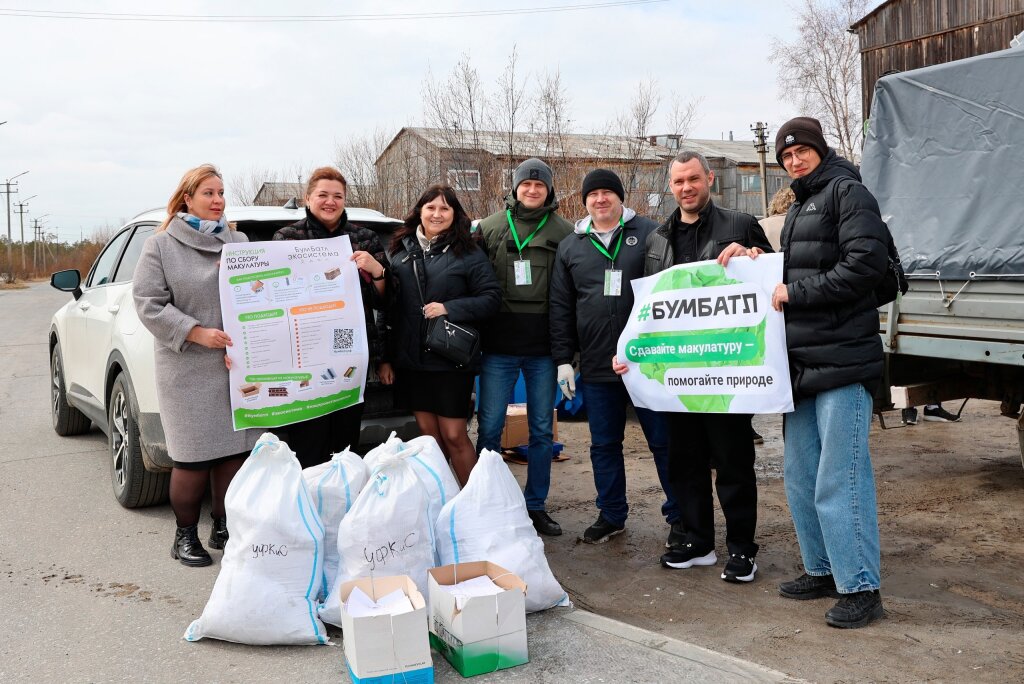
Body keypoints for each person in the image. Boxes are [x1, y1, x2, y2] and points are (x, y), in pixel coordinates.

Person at [730, 116, 888, 628]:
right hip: (800, 366)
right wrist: (759, 261)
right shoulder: (800, 205)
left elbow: (865, 265)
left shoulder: (847, 192)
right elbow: (798, 266)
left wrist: (795, 293)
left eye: (801, 151)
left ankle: (860, 586)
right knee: (801, 477)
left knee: (840, 479)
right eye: (786, 155)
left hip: (843, 362)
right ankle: (822, 569)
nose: (794, 160)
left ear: (820, 149)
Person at [613, 150, 771, 583]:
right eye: (679, 181)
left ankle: (742, 549)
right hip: (677, 376)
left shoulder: (739, 225)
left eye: (694, 179)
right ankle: (698, 542)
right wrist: (628, 350)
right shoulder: (657, 239)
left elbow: (772, 278)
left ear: (709, 180)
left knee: (733, 462)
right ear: (671, 186)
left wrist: (753, 254)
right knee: (685, 462)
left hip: (725, 371)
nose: (686, 188)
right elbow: (646, 307)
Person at [133, 164, 260, 567]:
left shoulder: (239, 241)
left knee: (233, 456)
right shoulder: (161, 246)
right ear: (187, 198)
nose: (218, 200)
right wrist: (196, 332)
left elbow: (261, 292)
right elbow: (148, 303)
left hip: (235, 366)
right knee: (192, 459)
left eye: (221, 193)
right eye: (208, 193)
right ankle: (184, 535)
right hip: (187, 369)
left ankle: (223, 527)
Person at [549, 169, 681, 546]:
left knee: (664, 443)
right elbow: (561, 306)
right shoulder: (571, 246)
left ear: (620, 197)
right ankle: (611, 514)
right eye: (593, 194)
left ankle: (679, 516)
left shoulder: (651, 233)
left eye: (608, 192)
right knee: (604, 444)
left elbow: (672, 289)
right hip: (597, 364)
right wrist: (564, 359)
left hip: (648, 363)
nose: (600, 199)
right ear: (585, 201)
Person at [475, 158, 574, 536]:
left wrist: (569, 354)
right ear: (515, 188)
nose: (532, 190)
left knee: (542, 432)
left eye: (540, 185)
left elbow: (571, 293)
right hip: (498, 348)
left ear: (549, 190)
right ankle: (486, 503)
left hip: (543, 351)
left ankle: (535, 506)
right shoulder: (489, 227)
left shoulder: (565, 232)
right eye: (526, 184)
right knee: (489, 429)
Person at [378, 185, 500, 485]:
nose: (437, 214)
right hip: (412, 361)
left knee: (455, 435)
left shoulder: (469, 251)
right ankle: (443, 499)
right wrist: (385, 358)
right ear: (419, 211)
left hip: (450, 360)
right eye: (431, 207)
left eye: (444, 208)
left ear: (454, 214)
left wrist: (449, 308)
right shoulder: (400, 251)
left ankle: (477, 500)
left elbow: (491, 299)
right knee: (429, 440)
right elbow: (389, 310)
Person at [272, 167, 390, 468]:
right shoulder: (286, 238)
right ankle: (310, 493)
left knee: (345, 443)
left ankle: (343, 491)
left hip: (348, 350)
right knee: (308, 443)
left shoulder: (364, 238)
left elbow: (385, 300)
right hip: (305, 354)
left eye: (337, 196)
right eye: (322, 194)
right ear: (307, 198)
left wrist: (377, 270)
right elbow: (273, 295)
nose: (330, 201)